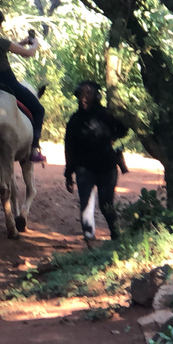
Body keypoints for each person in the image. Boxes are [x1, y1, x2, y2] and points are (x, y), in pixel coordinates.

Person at [0, 6, 46, 163]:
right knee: (39, 109)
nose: (0, 27)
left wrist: (22, 42)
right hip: (7, 83)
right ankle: (34, 148)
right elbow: (28, 53)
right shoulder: (1, 42)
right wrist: (34, 44)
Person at [64, 80, 129, 241]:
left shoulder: (107, 115)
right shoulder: (74, 121)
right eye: (80, 95)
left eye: (88, 94)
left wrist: (111, 137)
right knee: (86, 204)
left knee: (106, 205)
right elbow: (69, 149)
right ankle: (89, 239)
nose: (83, 99)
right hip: (84, 168)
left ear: (97, 96)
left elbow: (124, 128)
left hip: (107, 167)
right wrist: (68, 174)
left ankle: (116, 236)